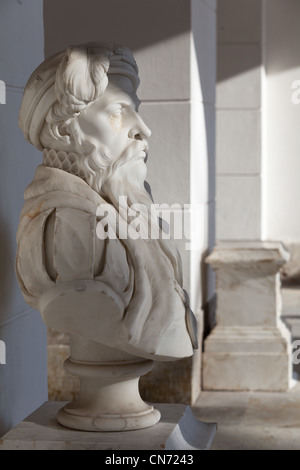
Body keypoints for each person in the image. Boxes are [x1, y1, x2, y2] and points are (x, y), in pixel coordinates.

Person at [16, 41, 197, 361]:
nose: (143, 129)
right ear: (63, 130)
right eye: (118, 112)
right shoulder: (69, 235)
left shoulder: (130, 219)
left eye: (135, 110)